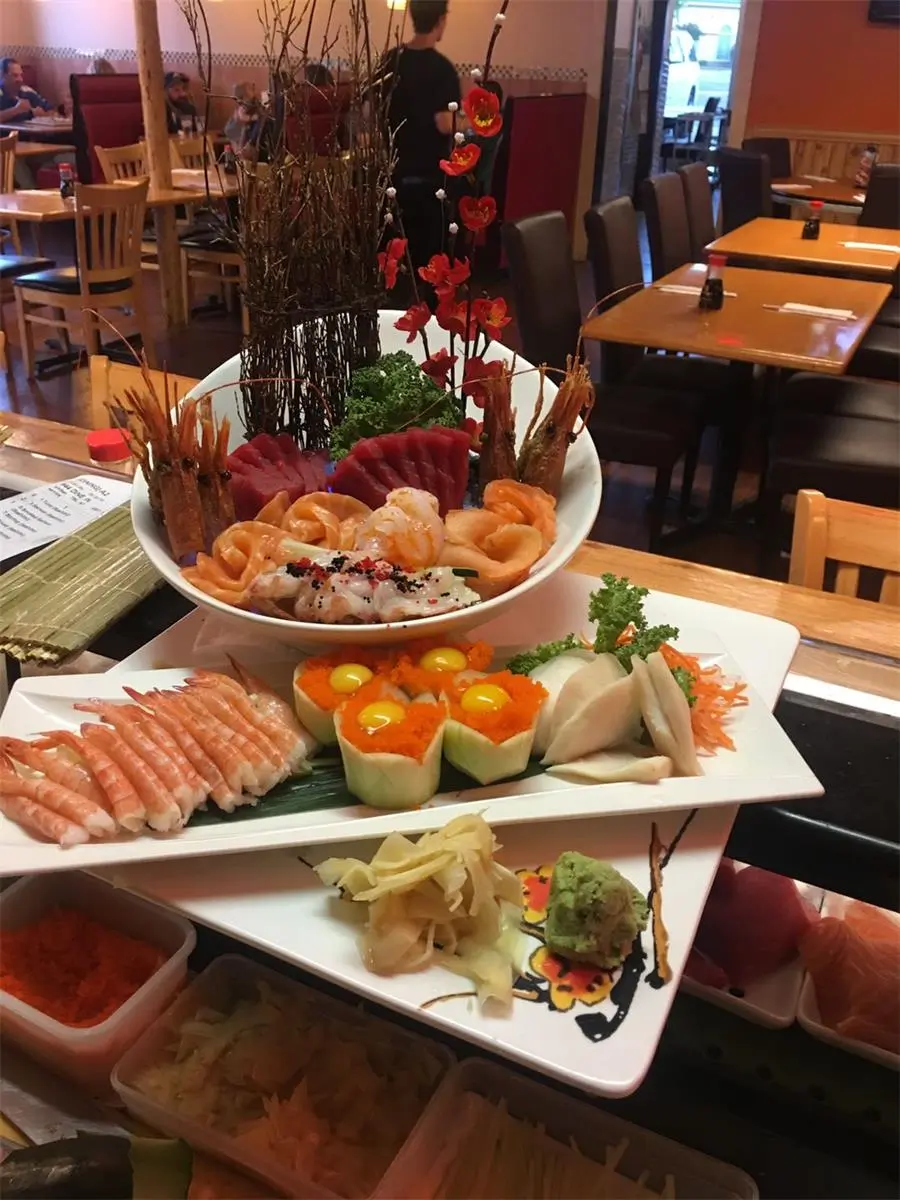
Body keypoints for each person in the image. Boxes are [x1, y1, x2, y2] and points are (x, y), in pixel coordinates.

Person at [377, 0, 461, 286]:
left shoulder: (390, 60)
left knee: (392, 262)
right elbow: (444, 123)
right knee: (427, 264)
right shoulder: (442, 69)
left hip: (392, 176)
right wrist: (466, 123)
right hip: (429, 182)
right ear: (440, 19)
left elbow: (370, 112)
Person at [0, 57, 54, 122]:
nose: (20, 79)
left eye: (20, 75)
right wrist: (16, 110)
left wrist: (44, 115)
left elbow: (52, 112)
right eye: (15, 75)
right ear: (2, 75)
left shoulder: (27, 91)